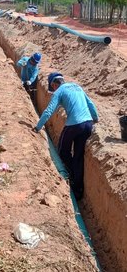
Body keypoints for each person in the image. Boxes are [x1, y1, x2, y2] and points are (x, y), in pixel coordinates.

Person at [33, 72, 99, 200]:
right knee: (78, 156)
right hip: (88, 124)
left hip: (73, 125)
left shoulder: (60, 91)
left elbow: (48, 111)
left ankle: (71, 175)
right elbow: (90, 104)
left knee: (63, 151)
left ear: (53, 84)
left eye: (52, 88)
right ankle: (78, 189)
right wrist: (95, 118)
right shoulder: (77, 87)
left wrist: (37, 127)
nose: (52, 90)